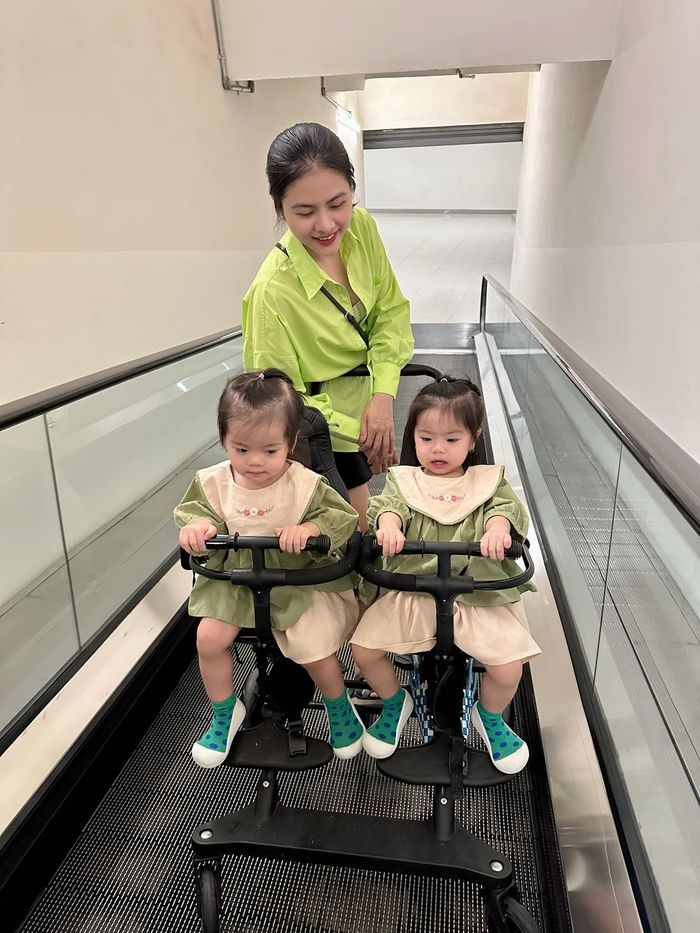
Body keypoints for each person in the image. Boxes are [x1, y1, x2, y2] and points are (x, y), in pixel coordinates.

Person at [175, 369, 365, 768]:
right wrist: (199, 527)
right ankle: (224, 710)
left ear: (290, 444)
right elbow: (196, 512)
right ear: (224, 440)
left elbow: (340, 517)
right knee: (208, 639)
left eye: (269, 451)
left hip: (295, 579)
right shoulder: (212, 483)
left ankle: (337, 703)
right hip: (237, 580)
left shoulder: (305, 484)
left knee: (312, 644)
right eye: (241, 449)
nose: (255, 462)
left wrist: (310, 529)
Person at [350, 377, 540, 772]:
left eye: (451, 439)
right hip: (414, 590)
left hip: (475, 593)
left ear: (473, 440)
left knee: (509, 668)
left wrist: (498, 530)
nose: (438, 449)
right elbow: (388, 507)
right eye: (426, 438)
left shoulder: (487, 482)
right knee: (365, 651)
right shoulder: (405, 482)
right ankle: (394, 701)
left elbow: (503, 510)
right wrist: (389, 526)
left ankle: (489, 715)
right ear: (413, 436)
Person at [242, 122, 414, 531]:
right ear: (280, 208)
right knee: (342, 536)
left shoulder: (362, 228)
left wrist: (383, 397)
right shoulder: (272, 292)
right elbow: (278, 401)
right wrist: (363, 432)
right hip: (318, 434)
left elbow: (390, 311)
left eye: (338, 203)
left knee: (373, 530)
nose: (325, 225)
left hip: (368, 410)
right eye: (304, 212)